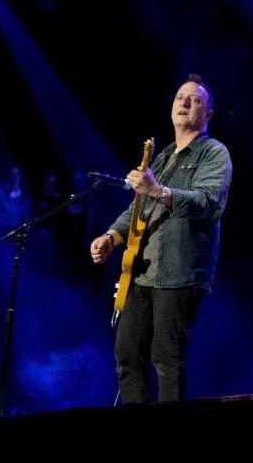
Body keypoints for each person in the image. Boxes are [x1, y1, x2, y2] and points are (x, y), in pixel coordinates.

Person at [89, 74, 232, 402]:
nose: (185, 103)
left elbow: (206, 202)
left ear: (208, 113)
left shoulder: (214, 154)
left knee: (166, 357)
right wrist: (111, 236)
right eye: (180, 97)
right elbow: (138, 207)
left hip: (180, 273)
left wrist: (158, 189)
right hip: (142, 274)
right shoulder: (164, 156)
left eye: (194, 100)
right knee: (127, 355)